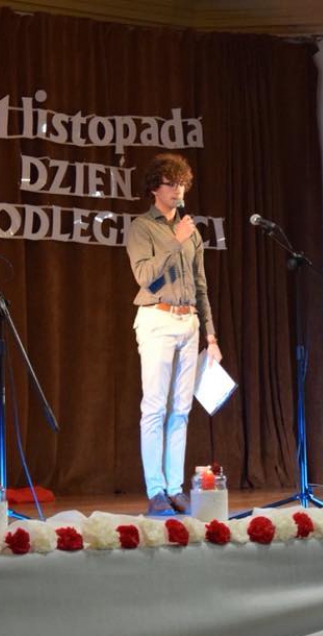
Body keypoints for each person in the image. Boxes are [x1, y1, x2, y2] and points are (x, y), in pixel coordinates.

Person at [126, 153, 222, 515]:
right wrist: (174, 241)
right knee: (155, 407)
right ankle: (155, 491)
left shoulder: (190, 231)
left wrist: (211, 336)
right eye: (171, 183)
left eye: (181, 183)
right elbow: (144, 277)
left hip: (189, 322)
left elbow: (200, 285)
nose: (178, 189)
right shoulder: (142, 227)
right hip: (157, 319)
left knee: (181, 410)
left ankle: (174, 488)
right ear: (155, 188)